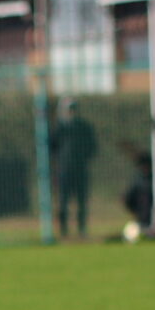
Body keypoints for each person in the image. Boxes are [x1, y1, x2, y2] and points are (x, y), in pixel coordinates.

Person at [50, 99, 96, 239]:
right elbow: (51, 147)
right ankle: (63, 231)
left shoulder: (84, 127)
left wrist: (83, 157)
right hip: (64, 170)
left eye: (73, 109)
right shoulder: (59, 128)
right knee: (63, 201)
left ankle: (82, 230)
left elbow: (92, 146)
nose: (71, 112)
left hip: (80, 170)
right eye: (68, 109)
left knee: (82, 201)